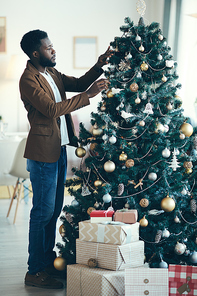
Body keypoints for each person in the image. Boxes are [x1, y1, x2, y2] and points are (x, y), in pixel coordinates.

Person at [19, 29, 112, 289]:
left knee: (53, 211)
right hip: (42, 155)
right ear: (36, 53)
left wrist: (99, 65)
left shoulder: (52, 74)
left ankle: (46, 263)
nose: (54, 50)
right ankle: (34, 270)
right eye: (49, 48)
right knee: (42, 212)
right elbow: (50, 109)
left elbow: (80, 83)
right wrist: (89, 96)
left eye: (53, 46)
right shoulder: (29, 79)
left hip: (58, 151)